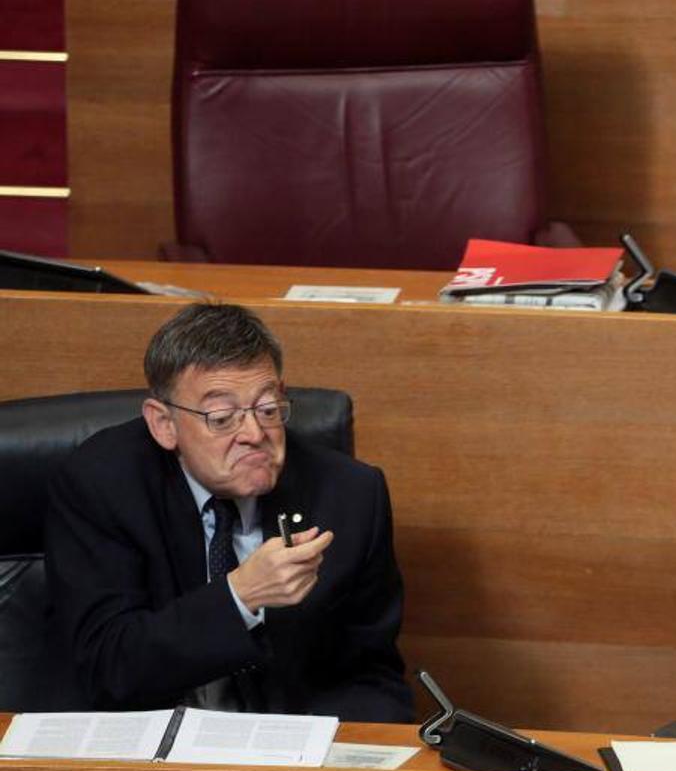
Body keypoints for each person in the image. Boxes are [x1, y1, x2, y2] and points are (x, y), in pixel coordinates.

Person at [45, 302, 413, 722]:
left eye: (268, 409)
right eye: (222, 418)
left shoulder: (349, 494)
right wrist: (241, 595)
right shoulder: (101, 485)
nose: (255, 434)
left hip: (289, 756)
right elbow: (108, 666)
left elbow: (373, 675)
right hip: (147, 750)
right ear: (164, 424)